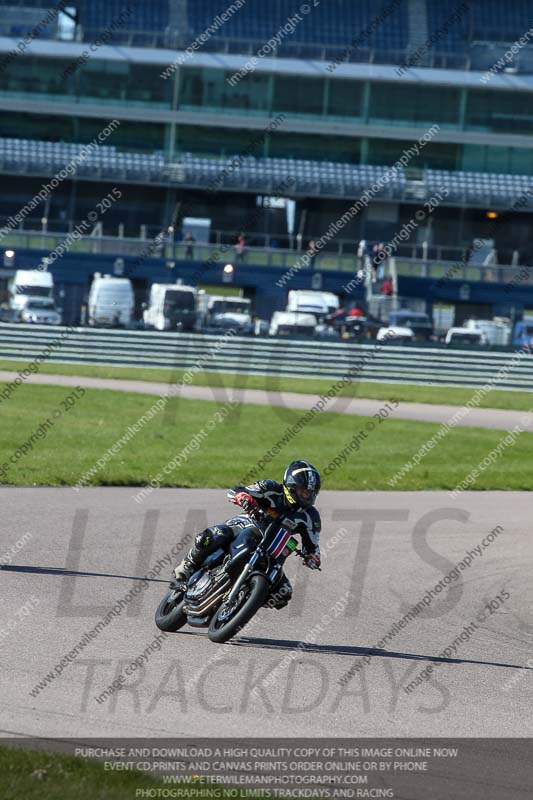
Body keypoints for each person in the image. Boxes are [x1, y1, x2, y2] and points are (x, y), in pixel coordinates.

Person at [172, 460, 322, 609]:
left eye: (310, 492)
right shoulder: (270, 488)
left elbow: (313, 545)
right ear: (291, 485)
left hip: (273, 546)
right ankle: (188, 564)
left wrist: (313, 557)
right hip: (247, 525)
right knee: (212, 536)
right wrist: (243, 497)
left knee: (283, 593)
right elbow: (236, 490)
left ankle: (246, 599)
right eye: (303, 491)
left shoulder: (311, 516)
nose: (307, 496)